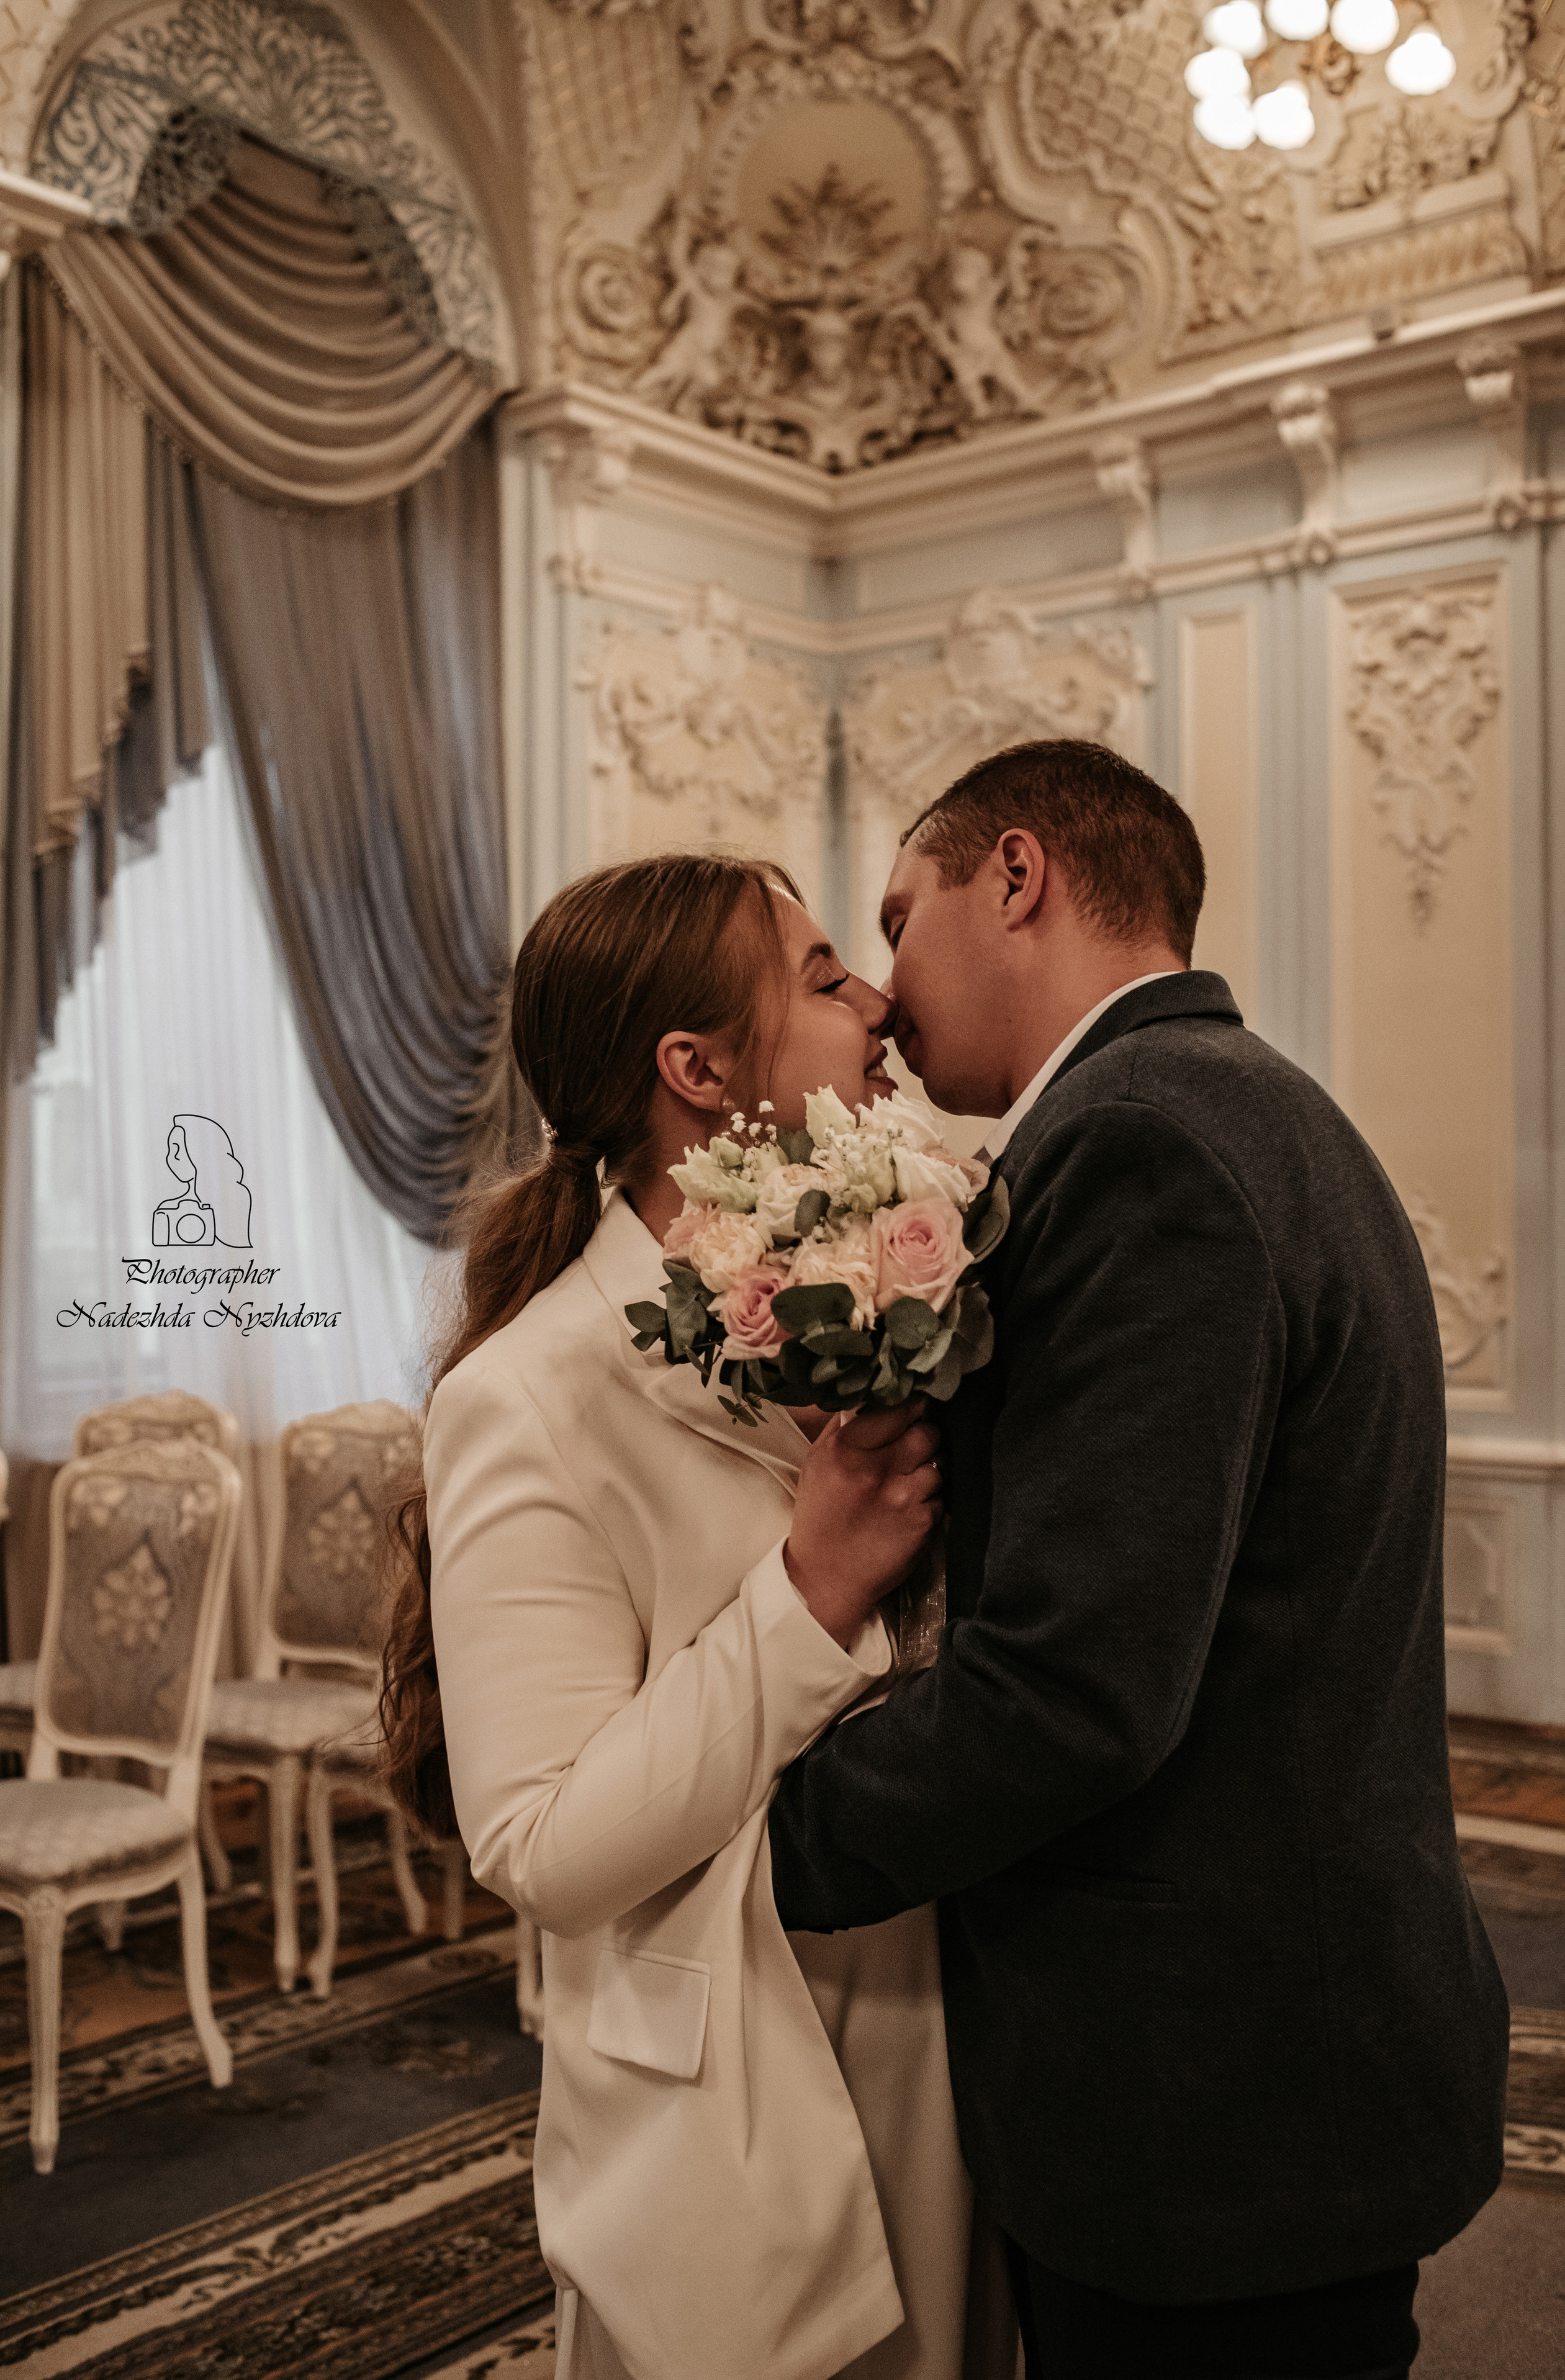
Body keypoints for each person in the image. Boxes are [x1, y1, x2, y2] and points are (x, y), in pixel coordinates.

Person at [767, 738, 1510, 2380]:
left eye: (900, 917)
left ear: (1016, 875)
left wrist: (758, 1843)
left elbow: (1077, 1686)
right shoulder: (1240, 1101)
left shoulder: (1141, 1139)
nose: (882, 991)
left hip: (1211, 2088)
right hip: (1276, 2034)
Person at [382, 852, 1012, 2380]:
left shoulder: (869, 1280)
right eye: (816, 979)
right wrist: (807, 1597)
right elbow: (540, 1843)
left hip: (955, 2021)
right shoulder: (527, 1394)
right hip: (733, 2074)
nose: (874, 998)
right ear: (697, 1070)